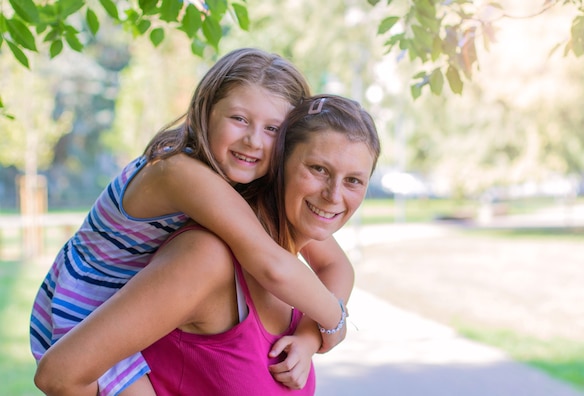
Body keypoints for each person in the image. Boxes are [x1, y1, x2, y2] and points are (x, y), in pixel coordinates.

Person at [29, 49, 351, 396]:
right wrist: (335, 321)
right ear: (206, 110)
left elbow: (334, 264)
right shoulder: (180, 172)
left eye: (273, 128)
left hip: (129, 307)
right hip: (87, 306)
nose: (253, 140)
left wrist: (307, 335)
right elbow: (272, 266)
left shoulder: (241, 182)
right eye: (239, 119)